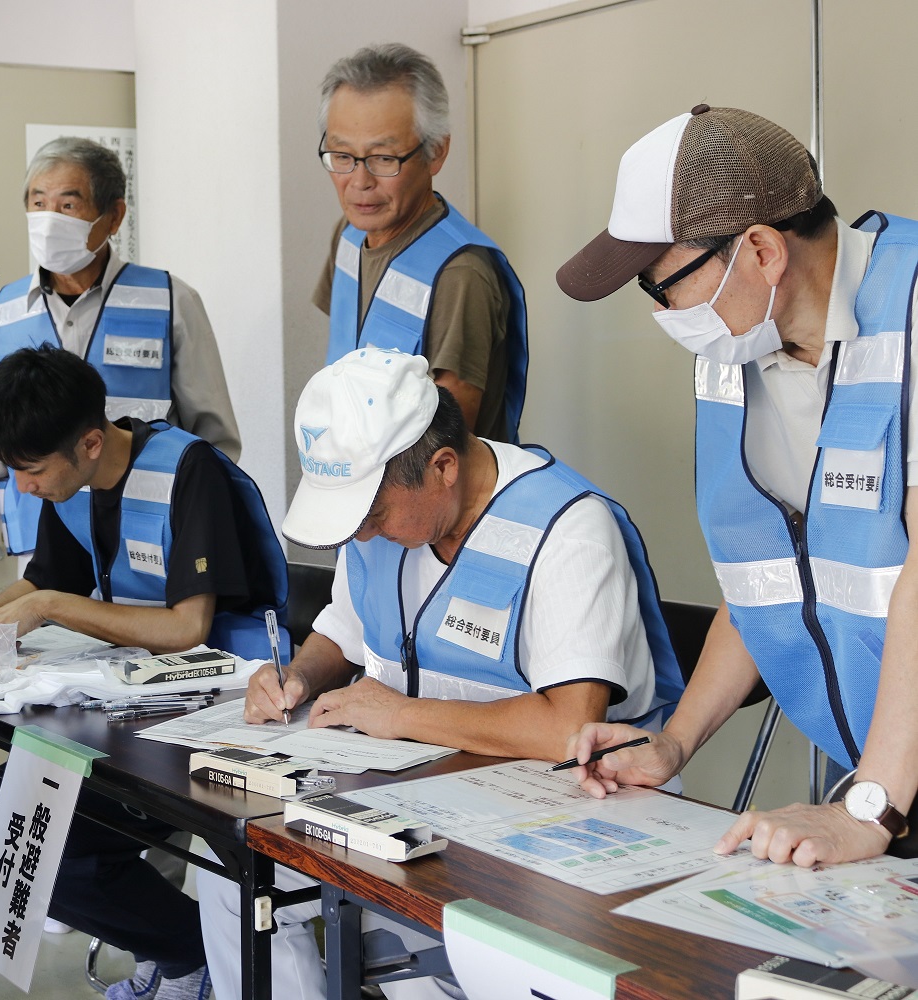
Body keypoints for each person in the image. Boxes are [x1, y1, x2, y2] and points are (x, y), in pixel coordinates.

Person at [197, 348, 684, 1000]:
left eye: (373, 517)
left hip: (568, 813)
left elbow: (568, 728)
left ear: (443, 468)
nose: (364, 537)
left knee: (419, 951)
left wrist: (398, 715)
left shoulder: (566, 528)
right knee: (228, 865)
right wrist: (298, 677)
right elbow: (343, 626)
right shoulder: (384, 525)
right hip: (425, 793)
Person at [556, 104, 918, 865]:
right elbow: (766, 580)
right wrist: (672, 745)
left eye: (665, 286)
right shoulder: (737, 357)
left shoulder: (912, 311)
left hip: (888, 785)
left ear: (760, 250)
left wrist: (870, 807)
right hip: (887, 774)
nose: (663, 315)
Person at [0, 345, 287, 1000]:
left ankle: (189, 955)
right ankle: (185, 948)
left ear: (91, 442)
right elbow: (43, 582)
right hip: (127, 718)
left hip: (222, 723)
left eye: (31, 471)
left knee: (22, 830)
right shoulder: (75, 485)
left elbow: (186, 628)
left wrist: (43, 606)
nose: (24, 487)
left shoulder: (189, 470)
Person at [0, 136, 240, 607]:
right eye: (37, 203)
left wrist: (196, 543)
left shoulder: (169, 301)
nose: (49, 219)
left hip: (150, 554)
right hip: (44, 562)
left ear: (114, 216)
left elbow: (213, 441)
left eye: (68, 204)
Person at [313, 43, 528, 442]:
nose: (359, 182)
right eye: (342, 155)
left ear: (436, 152)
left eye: (383, 158)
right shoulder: (348, 233)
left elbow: (445, 452)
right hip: (344, 473)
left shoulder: (461, 275)